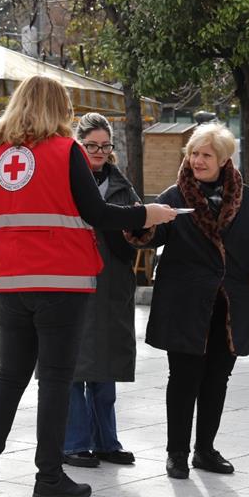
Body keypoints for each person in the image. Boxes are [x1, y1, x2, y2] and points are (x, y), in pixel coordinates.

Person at [0, 76, 176, 497]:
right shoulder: (67, 153)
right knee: (56, 382)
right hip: (61, 282)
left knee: (9, 377)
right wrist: (147, 212)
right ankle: (48, 480)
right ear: (58, 109)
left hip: (9, 283)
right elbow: (97, 212)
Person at [130, 123, 249, 479]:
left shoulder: (245, 198)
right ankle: (177, 452)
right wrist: (143, 223)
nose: (197, 160)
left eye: (206, 154)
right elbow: (151, 235)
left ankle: (206, 450)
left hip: (230, 304)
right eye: (193, 153)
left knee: (217, 379)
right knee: (182, 379)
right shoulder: (174, 196)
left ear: (224, 159)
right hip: (185, 303)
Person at [63, 113, 142, 468]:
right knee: (74, 367)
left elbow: (139, 229)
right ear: (79, 144)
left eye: (104, 146)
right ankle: (75, 443)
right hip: (74, 280)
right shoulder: (64, 178)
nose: (98, 152)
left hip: (111, 284)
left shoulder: (122, 186)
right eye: (91, 145)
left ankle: (107, 441)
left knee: (105, 368)